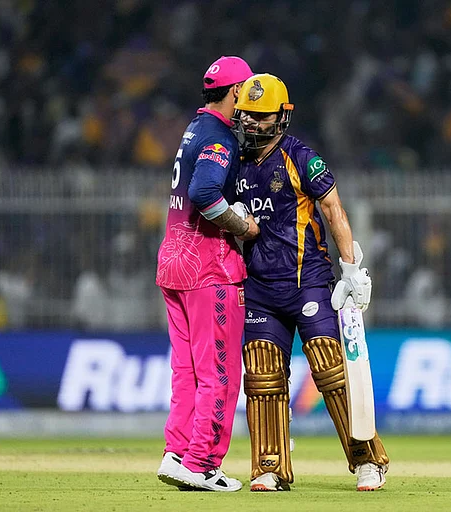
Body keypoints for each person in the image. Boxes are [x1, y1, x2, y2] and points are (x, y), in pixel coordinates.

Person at [229, 73, 389, 492]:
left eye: (262, 116)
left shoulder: (300, 157)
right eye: (247, 115)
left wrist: (351, 268)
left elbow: (334, 209)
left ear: (281, 117)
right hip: (259, 287)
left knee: (329, 367)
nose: (252, 123)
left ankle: (367, 460)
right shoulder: (234, 161)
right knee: (262, 375)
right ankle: (270, 467)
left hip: (308, 281)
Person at [154, 56, 259, 492]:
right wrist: (243, 226)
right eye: (247, 91)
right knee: (219, 374)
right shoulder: (220, 136)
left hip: (173, 262)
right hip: (208, 268)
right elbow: (203, 191)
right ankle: (201, 464)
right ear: (235, 92)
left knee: (187, 370)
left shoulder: (194, 129)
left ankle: (177, 453)